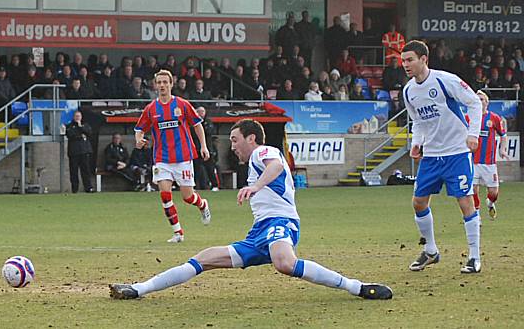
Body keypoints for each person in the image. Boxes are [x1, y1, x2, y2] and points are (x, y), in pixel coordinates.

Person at [110, 119, 393, 300]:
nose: (232, 146)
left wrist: (256, 187)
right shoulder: (255, 160)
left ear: (251, 139)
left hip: (281, 222)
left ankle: (356, 287)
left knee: (284, 262)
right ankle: (139, 289)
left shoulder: (262, 152)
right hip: (259, 232)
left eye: (235, 140)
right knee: (203, 258)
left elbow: (277, 166)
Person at [401, 40, 483, 274]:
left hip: (456, 152)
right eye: (403, 61)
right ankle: (431, 251)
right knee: (418, 202)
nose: (406, 65)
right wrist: (417, 143)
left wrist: (473, 134)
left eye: (410, 60)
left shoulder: (445, 80)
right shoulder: (409, 91)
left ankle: (474, 257)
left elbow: (474, 102)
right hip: (432, 155)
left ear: (424, 59)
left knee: (465, 201)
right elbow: (417, 120)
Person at [134, 69, 212, 243]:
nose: (162, 85)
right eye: (159, 82)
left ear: (171, 84)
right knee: (165, 194)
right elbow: (139, 129)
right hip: (162, 159)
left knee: (188, 197)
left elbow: (197, 125)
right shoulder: (151, 109)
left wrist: (204, 146)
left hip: (183, 158)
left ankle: (202, 204)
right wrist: (139, 140)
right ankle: (178, 233)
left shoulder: (182, 105)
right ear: (155, 85)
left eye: (165, 82)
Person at [469, 91, 507, 220]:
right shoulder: (469, 118)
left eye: (482, 100)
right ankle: (476, 215)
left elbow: (503, 135)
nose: (480, 102)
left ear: (487, 102)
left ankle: (490, 203)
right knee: (473, 189)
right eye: (477, 99)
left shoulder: (494, 118)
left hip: (489, 163)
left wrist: (502, 149)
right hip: (473, 161)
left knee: (494, 193)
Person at [65, 110, 94, 193]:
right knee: (74, 171)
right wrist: (80, 135)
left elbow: (89, 133)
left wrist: (80, 127)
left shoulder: (85, 125)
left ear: (81, 117)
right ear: (73, 117)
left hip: (84, 151)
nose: (77, 118)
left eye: (79, 116)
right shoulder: (69, 126)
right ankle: (75, 189)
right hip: (74, 152)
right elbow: (71, 135)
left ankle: (88, 188)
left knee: (86, 171)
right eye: (76, 116)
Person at [192, 107, 219, 191]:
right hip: (196, 149)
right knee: (195, 169)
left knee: (210, 168)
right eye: (199, 112)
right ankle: (194, 186)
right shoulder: (192, 123)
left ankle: (214, 185)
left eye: (202, 111)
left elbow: (210, 132)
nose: (201, 113)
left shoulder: (208, 122)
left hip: (207, 149)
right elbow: (193, 134)